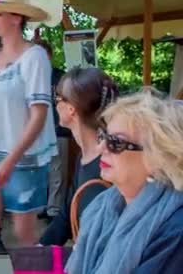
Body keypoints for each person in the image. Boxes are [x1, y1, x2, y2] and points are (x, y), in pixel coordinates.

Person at [0, 0, 57, 273]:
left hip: (23, 161)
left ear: (17, 18)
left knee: (24, 235)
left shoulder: (34, 58)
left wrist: (11, 160)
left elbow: (39, 114)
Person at [66, 91, 183, 274]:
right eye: (103, 136)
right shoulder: (103, 206)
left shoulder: (174, 231)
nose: (101, 148)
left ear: (158, 156)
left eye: (116, 142)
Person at [39, 67, 118, 246]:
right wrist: (39, 251)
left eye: (57, 98)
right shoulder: (83, 157)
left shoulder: (110, 166)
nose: (55, 104)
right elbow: (67, 214)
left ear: (71, 109)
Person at [36, 39, 73, 220]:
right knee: (40, 171)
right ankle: (43, 205)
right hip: (37, 133)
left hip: (58, 130)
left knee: (57, 171)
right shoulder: (28, 77)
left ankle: (55, 209)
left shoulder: (61, 77)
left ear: (50, 56)